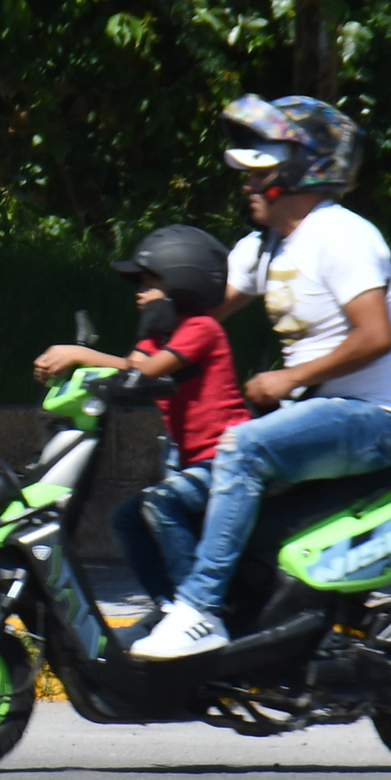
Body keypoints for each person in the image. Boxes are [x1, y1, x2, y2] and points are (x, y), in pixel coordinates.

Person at [131, 95, 391, 660]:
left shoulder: (342, 235)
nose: (244, 177)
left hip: (377, 418)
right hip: (318, 417)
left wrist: (292, 378)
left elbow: (374, 336)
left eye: (259, 164)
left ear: (299, 168)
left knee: (240, 446)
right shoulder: (265, 248)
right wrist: (133, 363)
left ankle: (201, 612)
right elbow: (198, 317)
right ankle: (193, 612)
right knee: (172, 496)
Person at [31, 225, 250, 608]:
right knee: (126, 518)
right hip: (192, 463)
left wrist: (78, 354)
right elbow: (132, 365)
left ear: (182, 283)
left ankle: (193, 606)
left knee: (160, 503)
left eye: (149, 283)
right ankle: (166, 605)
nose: (140, 293)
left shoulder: (202, 328)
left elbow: (147, 371)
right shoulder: (157, 339)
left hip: (226, 459)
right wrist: (65, 365)